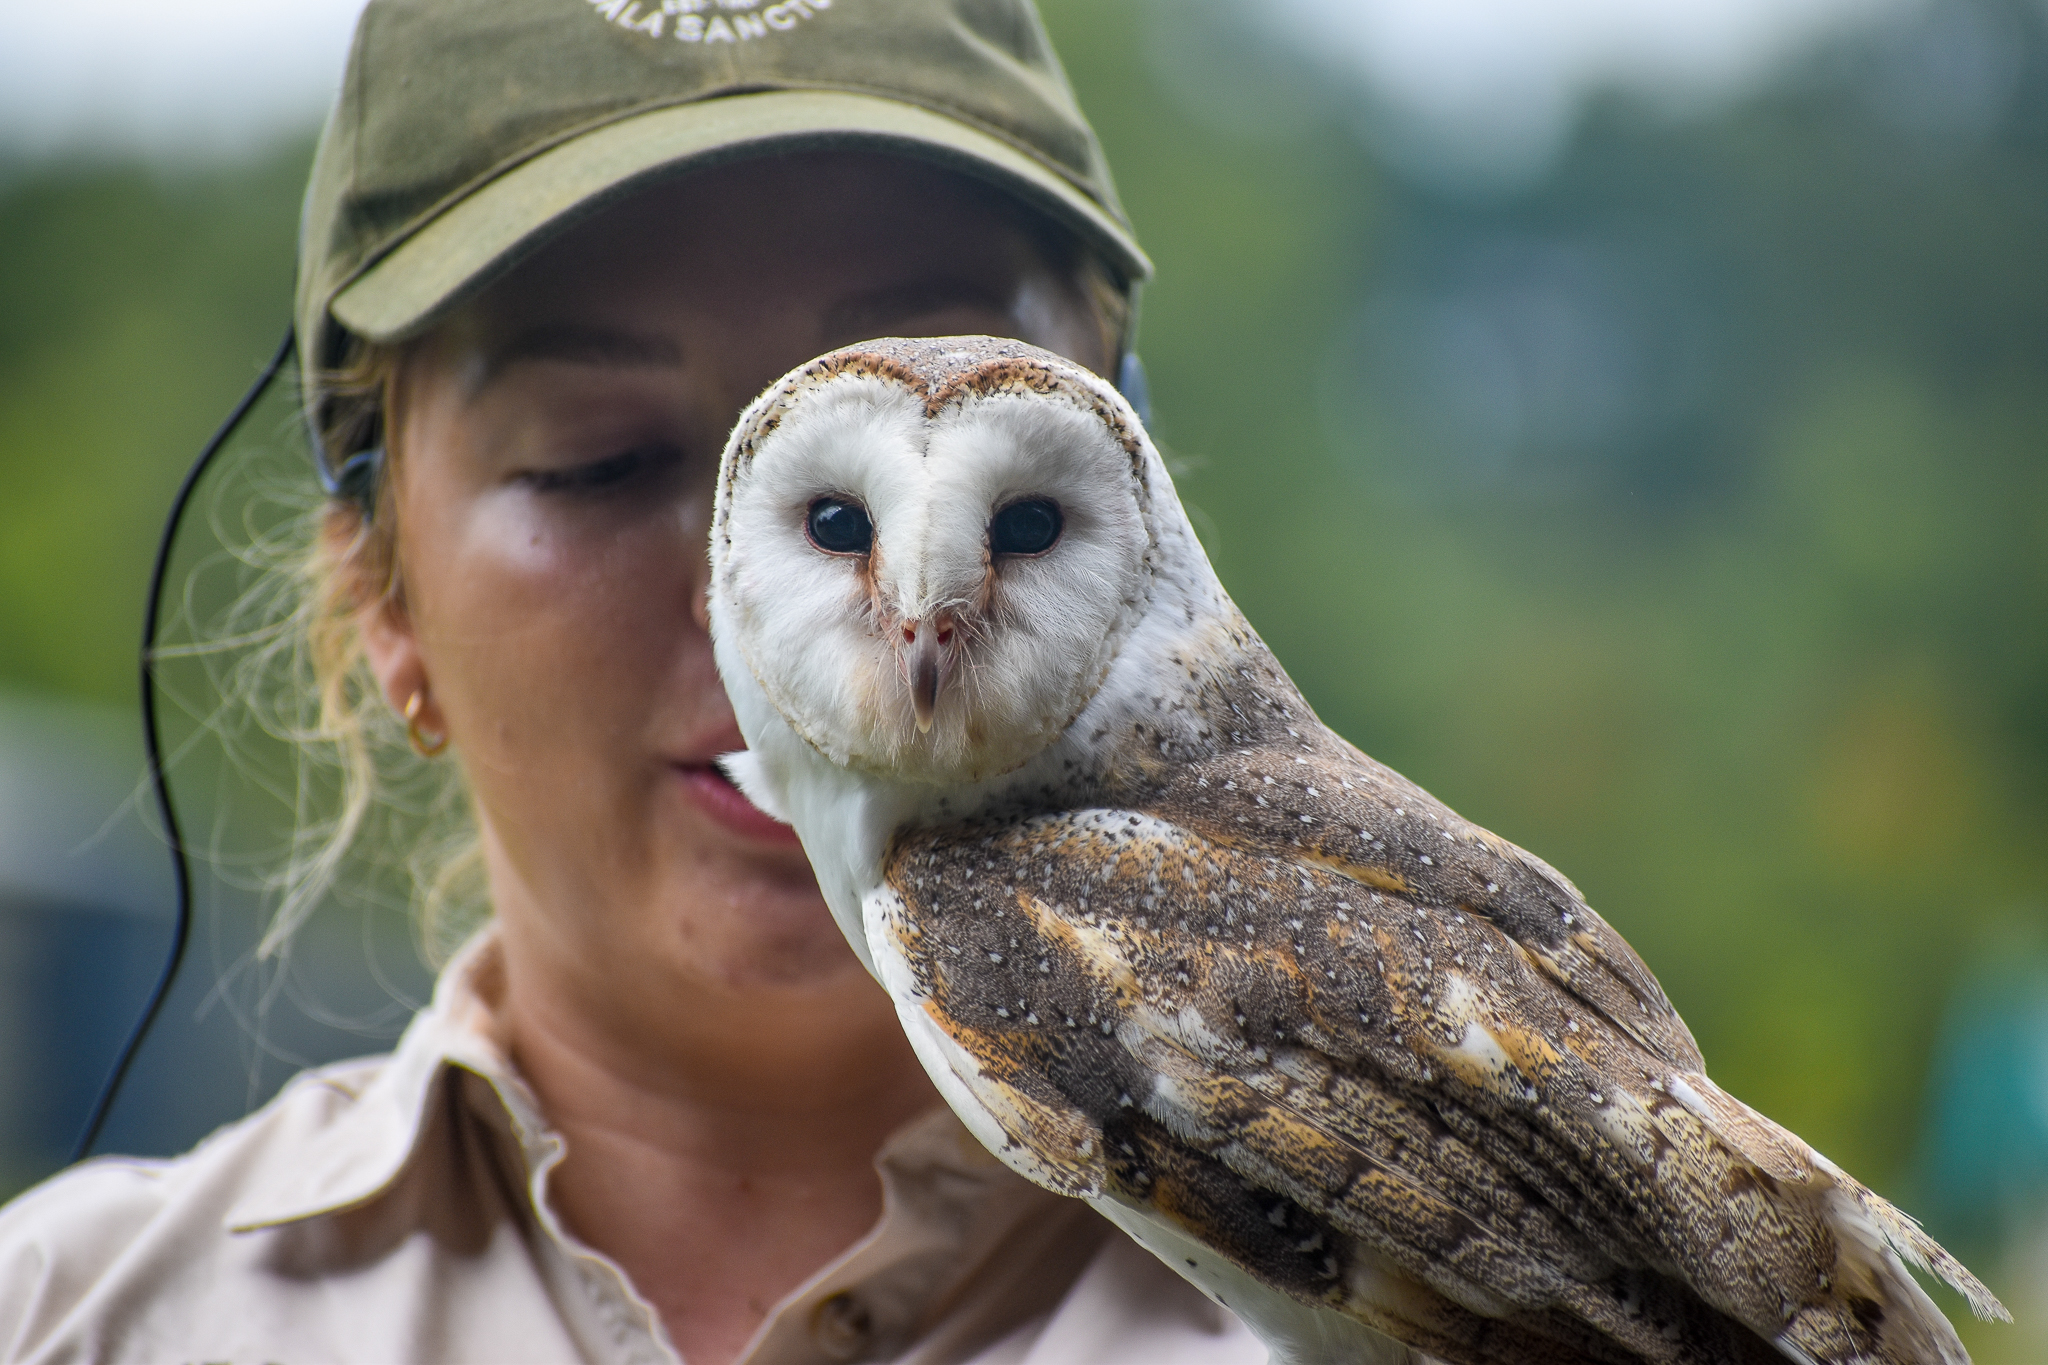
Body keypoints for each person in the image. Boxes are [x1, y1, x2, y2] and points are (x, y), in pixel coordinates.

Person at [0, 2, 1265, 1362]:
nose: (764, 626)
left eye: (957, 485)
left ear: (1130, 525)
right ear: (382, 596)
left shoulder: (1446, 1295)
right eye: (602, 458)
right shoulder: (76, 1322)